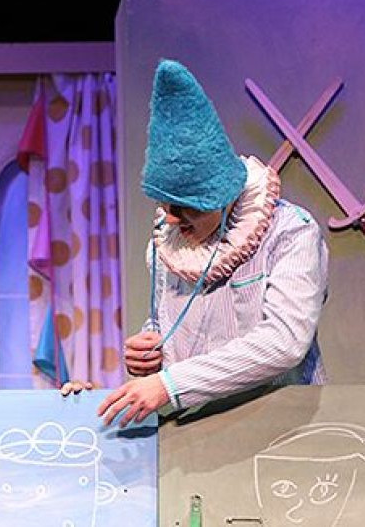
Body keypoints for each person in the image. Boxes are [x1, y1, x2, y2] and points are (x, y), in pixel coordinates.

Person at [63, 59, 328, 427]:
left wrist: (170, 384)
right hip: (193, 432)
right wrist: (151, 349)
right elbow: (169, 320)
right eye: (165, 205)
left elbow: (284, 340)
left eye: (185, 207)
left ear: (220, 195)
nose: (172, 219)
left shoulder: (290, 232)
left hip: (279, 428)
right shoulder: (166, 245)